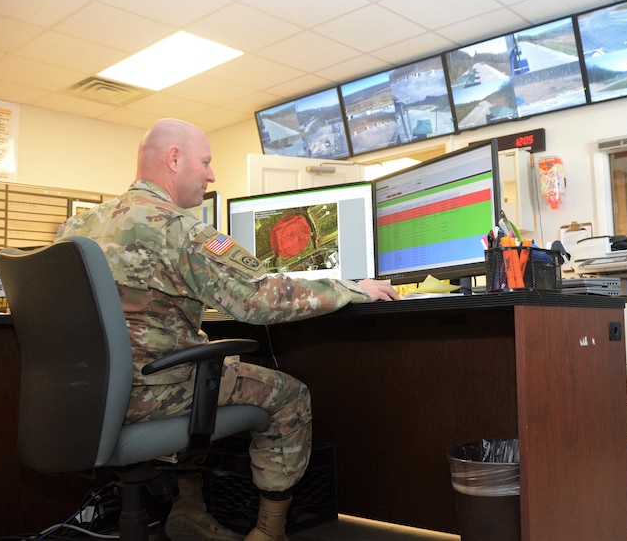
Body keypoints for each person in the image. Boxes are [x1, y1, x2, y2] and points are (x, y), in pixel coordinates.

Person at [56, 118, 400, 541]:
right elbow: (260, 299)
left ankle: (188, 504)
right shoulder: (181, 229)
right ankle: (268, 532)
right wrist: (353, 287)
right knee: (290, 394)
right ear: (175, 159)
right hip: (153, 394)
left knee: (213, 369)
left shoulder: (75, 227)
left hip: (88, 397)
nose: (211, 175)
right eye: (205, 162)